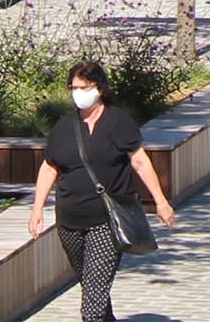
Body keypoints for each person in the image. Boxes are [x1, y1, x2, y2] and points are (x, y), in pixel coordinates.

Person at [28, 58, 177, 322]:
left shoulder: (118, 122)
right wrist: (37, 209)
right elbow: (49, 167)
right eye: (74, 87)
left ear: (100, 88)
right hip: (69, 222)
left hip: (106, 222)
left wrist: (161, 202)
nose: (78, 93)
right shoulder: (64, 127)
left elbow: (140, 161)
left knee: (91, 307)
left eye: (85, 87)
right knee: (92, 286)